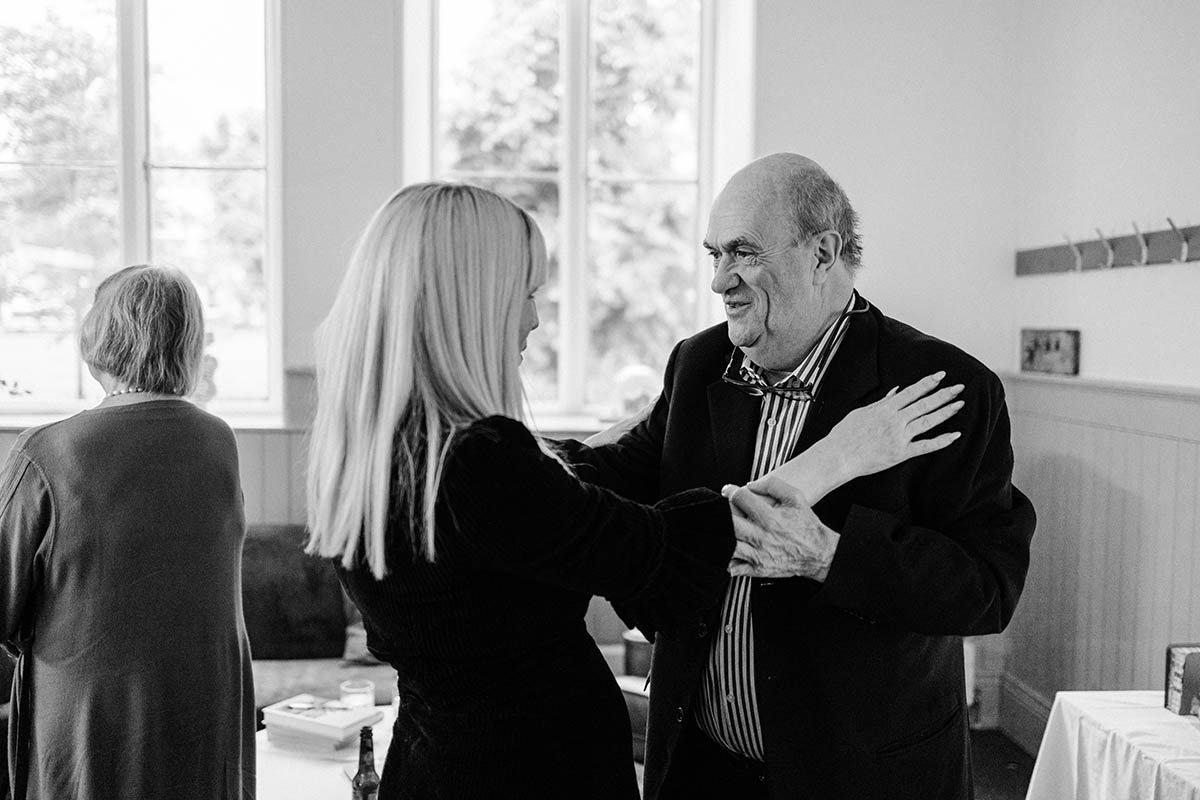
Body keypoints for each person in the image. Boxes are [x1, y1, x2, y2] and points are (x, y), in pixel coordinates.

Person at [303, 182, 964, 800]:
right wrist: (837, 456)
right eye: (527, 294)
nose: (534, 320)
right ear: (471, 304)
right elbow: (659, 548)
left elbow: (550, 497)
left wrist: (653, 421)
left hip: (437, 760)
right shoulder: (482, 461)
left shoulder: (378, 446)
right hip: (525, 773)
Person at [572, 153, 1038, 800]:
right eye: (714, 255)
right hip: (700, 767)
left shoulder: (942, 385)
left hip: (862, 773)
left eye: (743, 253)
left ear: (823, 253)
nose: (720, 282)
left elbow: (987, 587)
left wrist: (831, 557)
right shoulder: (699, 363)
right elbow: (616, 487)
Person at [0, 265, 255, 799]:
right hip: (204, 714)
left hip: (94, 730)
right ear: (188, 343)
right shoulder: (218, 442)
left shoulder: (47, 453)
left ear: (99, 337)